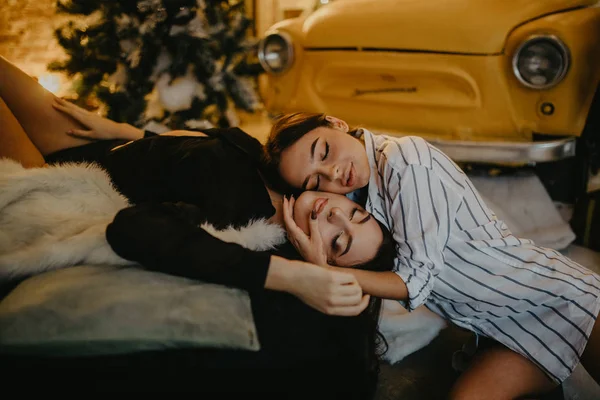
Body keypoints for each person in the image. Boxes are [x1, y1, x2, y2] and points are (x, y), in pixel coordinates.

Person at [0, 56, 398, 397]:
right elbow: (213, 141)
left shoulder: (246, 226)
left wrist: (310, 275)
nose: (332, 214)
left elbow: (351, 377)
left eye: (339, 241)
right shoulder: (285, 173)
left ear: (329, 263)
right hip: (102, 145)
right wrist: (125, 131)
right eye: (354, 213)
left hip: (64, 180)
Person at [262, 111, 600, 399]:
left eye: (324, 151)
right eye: (315, 180)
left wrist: (320, 274)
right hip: (499, 330)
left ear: (336, 123)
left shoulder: (404, 160)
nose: (333, 173)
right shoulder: (358, 191)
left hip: (555, 296)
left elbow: (414, 280)